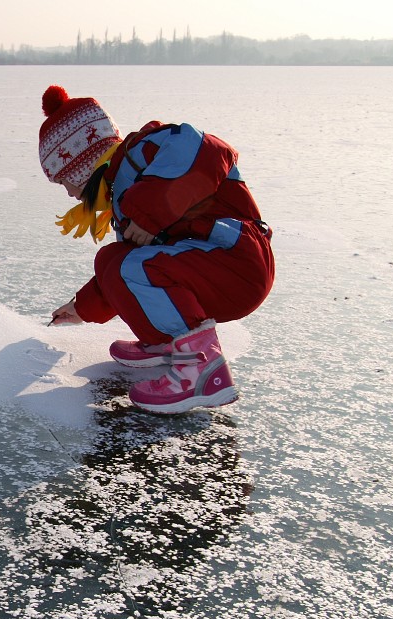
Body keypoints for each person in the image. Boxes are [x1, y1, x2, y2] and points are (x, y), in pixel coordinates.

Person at [39, 85, 275, 413]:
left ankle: (201, 369)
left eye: (65, 181)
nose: (68, 194)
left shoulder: (146, 152)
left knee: (135, 267)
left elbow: (212, 150)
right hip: (207, 264)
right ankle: (168, 343)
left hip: (238, 264)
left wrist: (152, 212)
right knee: (113, 259)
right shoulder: (124, 195)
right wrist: (83, 307)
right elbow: (122, 272)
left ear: (83, 165)